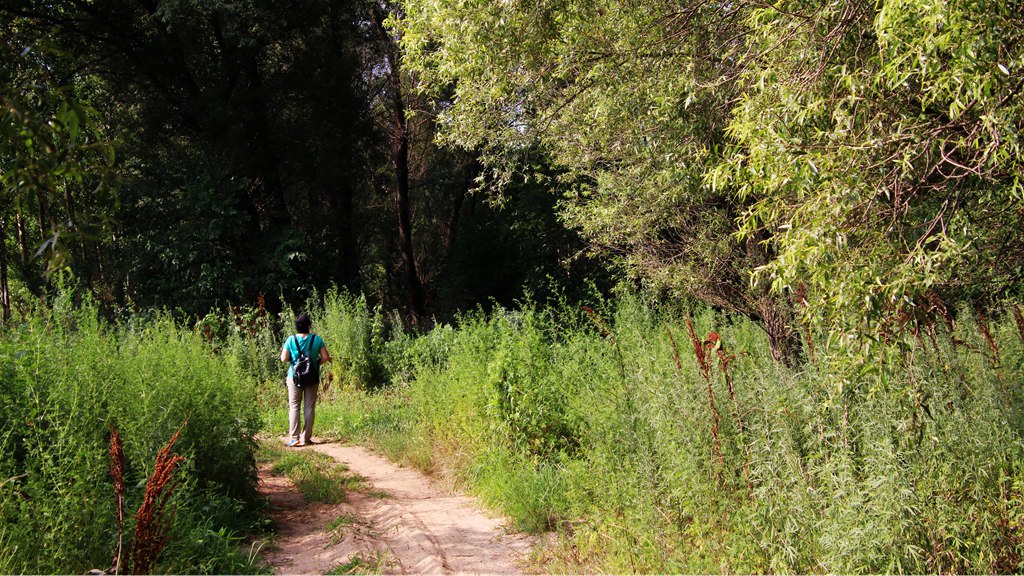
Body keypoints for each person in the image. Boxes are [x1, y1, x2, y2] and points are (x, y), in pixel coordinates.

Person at [280, 312, 331, 447]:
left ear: (296, 326)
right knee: (309, 406)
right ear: (309, 325)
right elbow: (326, 357)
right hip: (312, 376)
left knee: (294, 406)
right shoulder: (316, 339)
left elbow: (283, 358)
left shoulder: (290, 340)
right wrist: (315, 364)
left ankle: (294, 438)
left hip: (294, 377)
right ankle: (306, 438)